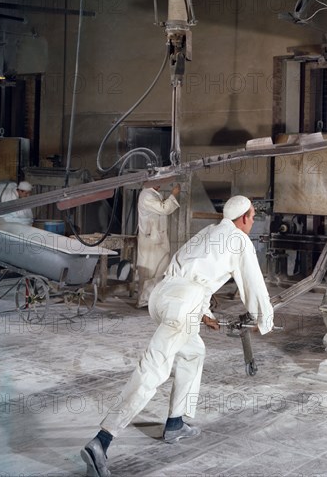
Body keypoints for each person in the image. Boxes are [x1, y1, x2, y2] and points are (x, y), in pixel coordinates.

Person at [81, 195, 274, 477]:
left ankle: (174, 423)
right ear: (243, 218)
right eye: (253, 216)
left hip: (163, 296)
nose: (254, 221)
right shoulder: (239, 240)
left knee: (193, 351)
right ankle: (102, 441)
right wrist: (263, 319)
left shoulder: (209, 232)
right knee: (153, 369)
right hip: (183, 303)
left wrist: (203, 312)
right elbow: (253, 283)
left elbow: (191, 269)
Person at [136, 183, 181, 308]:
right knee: (150, 270)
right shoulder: (146, 195)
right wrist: (173, 194)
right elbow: (164, 208)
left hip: (157, 238)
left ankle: (153, 300)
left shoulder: (153, 194)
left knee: (159, 269)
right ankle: (145, 301)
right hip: (150, 239)